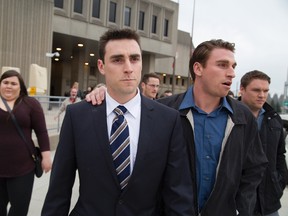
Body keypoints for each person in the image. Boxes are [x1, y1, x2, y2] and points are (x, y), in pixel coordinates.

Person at [86, 39, 268, 215]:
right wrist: (103, 92)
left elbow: (254, 168)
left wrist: (239, 208)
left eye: (233, 66)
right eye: (222, 65)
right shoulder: (163, 111)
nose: (231, 73)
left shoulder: (242, 117)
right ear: (198, 68)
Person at [42, 28, 194, 215]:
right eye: (117, 59)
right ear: (101, 66)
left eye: (134, 58)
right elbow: (59, 189)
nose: (128, 67)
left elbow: (178, 192)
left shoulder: (168, 120)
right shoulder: (77, 116)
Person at [0, 70, 52, 216]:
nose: (9, 86)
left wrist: (46, 157)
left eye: (13, 83)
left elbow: (41, 131)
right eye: (5, 82)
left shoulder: (31, 104)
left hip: (23, 168)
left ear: (20, 87)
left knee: (19, 209)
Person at [239, 70, 288, 216]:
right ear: (242, 89)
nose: (262, 95)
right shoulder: (228, 117)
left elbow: (280, 154)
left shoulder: (274, 119)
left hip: (268, 201)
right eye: (256, 90)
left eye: (266, 90)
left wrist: (279, 182)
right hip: (237, 200)